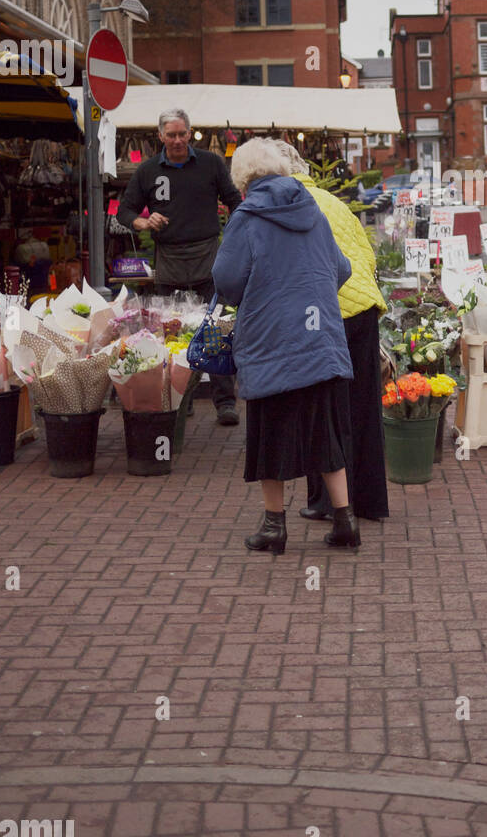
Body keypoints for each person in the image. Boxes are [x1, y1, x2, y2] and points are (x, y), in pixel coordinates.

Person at [212, 138, 360, 556]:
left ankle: (274, 528)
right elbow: (342, 269)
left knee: (270, 435)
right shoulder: (310, 207)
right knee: (326, 434)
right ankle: (346, 521)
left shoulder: (247, 216)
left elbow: (226, 281)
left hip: (271, 346)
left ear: (243, 180)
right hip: (320, 343)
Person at [271, 141, 389, 523]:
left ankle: (328, 502)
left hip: (329, 312)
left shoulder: (290, 204)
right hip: (364, 308)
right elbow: (365, 253)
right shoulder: (332, 200)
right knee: (363, 408)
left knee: (326, 410)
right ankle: (369, 501)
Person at [119, 109, 242, 425]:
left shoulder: (211, 163)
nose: (176, 140)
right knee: (171, 331)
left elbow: (234, 200)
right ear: (159, 136)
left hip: (208, 257)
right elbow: (124, 210)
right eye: (170, 135)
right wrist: (143, 221)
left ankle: (226, 402)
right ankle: (177, 397)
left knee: (214, 330)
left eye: (181, 134)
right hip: (169, 259)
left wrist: (237, 236)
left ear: (191, 134)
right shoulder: (147, 170)